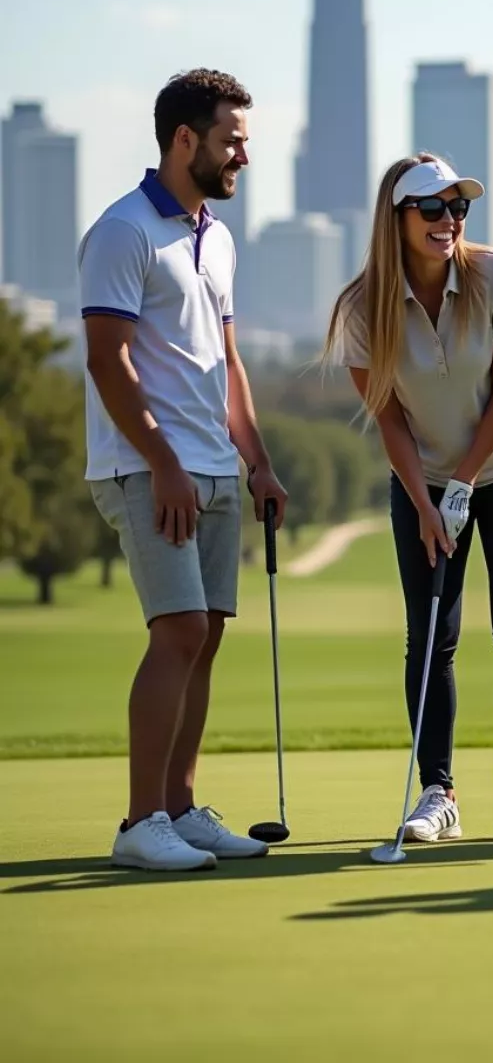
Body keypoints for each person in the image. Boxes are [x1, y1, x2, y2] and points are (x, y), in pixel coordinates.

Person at [324, 152, 493, 844]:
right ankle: (438, 794)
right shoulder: (361, 306)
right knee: (432, 635)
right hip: (424, 479)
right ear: (397, 218)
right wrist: (428, 503)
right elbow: (390, 418)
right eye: (431, 208)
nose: (448, 220)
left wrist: (463, 482)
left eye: (457, 207)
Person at [80, 69, 289, 871]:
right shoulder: (123, 230)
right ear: (184, 139)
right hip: (147, 468)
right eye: (232, 139)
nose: (243, 153)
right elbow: (107, 360)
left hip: (212, 466)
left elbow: (226, 361)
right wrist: (162, 463)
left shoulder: (219, 235)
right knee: (180, 631)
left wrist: (258, 461)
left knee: (205, 640)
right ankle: (140, 824)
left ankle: (179, 807)